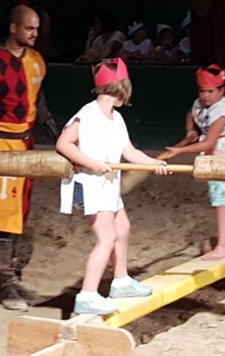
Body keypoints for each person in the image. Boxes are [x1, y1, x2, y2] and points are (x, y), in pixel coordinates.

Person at [0, 5, 60, 311]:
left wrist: (59, 136)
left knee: (19, 212)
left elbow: (38, 105)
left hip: (24, 144)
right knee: (1, 214)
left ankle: (11, 277)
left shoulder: (36, 62)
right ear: (14, 28)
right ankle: (3, 281)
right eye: (30, 28)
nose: (35, 33)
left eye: (37, 29)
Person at [56, 58, 168, 314]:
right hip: (91, 184)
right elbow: (64, 144)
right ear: (119, 88)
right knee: (106, 238)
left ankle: (120, 281)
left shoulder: (116, 119)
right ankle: (87, 295)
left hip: (108, 186)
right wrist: (92, 163)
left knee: (123, 227)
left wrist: (154, 163)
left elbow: (129, 151)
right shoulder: (87, 115)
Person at [165, 64, 225, 260]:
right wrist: (190, 131)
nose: (206, 95)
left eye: (211, 91)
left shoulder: (222, 111)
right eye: (202, 91)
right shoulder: (201, 104)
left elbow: (209, 143)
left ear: (221, 91)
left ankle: (222, 247)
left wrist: (179, 150)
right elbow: (191, 113)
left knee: (222, 200)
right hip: (216, 151)